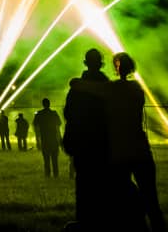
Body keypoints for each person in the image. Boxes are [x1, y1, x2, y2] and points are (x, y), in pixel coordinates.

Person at [108, 52, 167, 232]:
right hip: (140, 145)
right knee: (150, 197)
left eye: (118, 64)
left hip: (121, 147)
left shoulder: (113, 88)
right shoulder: (137, 89)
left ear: (118, 68)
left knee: (122, 193)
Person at [62, 49, 112, 227]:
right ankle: (103, 221)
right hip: (103, 144)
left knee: (83, 185)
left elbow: (68, 113)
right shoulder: (107, 87)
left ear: (86, 63)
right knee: (104, 185)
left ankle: (84, 221)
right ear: (100, 64)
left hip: (82, 144)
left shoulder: (77, 88)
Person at [35, 98, 62, 178]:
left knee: (46, 159)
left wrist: (38, 140)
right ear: (49, 104)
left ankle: (48, 174)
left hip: (44, 139)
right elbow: (58, 127)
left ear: (43, 104)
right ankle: (56, 174)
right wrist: (59, 138)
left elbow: (37, 128)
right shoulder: (54, 113)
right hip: (53, 139)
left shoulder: (39, 114)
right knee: (55, 159)